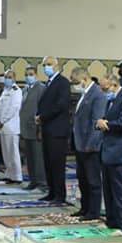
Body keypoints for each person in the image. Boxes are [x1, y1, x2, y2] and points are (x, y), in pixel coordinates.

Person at [97, 74, 122, 234]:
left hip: (119, 149)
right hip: (107, 148)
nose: (104, 92)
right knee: (108, 188)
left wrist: (106, 124)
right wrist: (100, 122)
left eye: (105, 89)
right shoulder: (111, 99)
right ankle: (112, 220)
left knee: (120, 189)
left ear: (114, 85)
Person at [71, 68, 107, 220]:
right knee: (82, 178)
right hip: (80, 143)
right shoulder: (85, 94)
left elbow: (97, 122)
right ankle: (85, 207)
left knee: (93, 180)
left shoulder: (97, 95)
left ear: (84, 79)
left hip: (90, 145)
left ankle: (93, 211)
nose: (74, 85)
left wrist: (92, 144)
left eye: (75, 82)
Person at [36, 56, 71, 205]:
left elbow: (60, 106)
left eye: (49, 64)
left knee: (57, 164)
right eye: (44, 65)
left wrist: (43, 116)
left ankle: (59, 195)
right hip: (48, 129)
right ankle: (51, 192)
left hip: (57, 130)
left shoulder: (62, 82)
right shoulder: (49, 83)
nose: (46, 67)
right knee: (49, 163)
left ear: (56, 66)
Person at [19, 65, 47, 190]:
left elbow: (42, 108)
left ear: (36, 75)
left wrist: (40, 128)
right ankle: (33, 180)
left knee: (38, 156)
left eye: (30, 74)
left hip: (35, 128)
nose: (28, 77)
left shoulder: (41, 88)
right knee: (29, 157)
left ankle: (41, 181)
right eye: (26, 74)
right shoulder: (25, 89)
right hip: (26, 128)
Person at [0, 71, 22, 183]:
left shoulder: (16, 91)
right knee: (6, 153)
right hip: (3, 127)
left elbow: (13, 108)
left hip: (11, 126)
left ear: (14, 78)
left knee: (13, 152)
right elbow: (0, 108)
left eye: (10, 77)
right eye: (6, 77)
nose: (7, 79)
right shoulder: (5, 90)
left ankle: (17, 176)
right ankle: (9, 174)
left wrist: (2, 121)